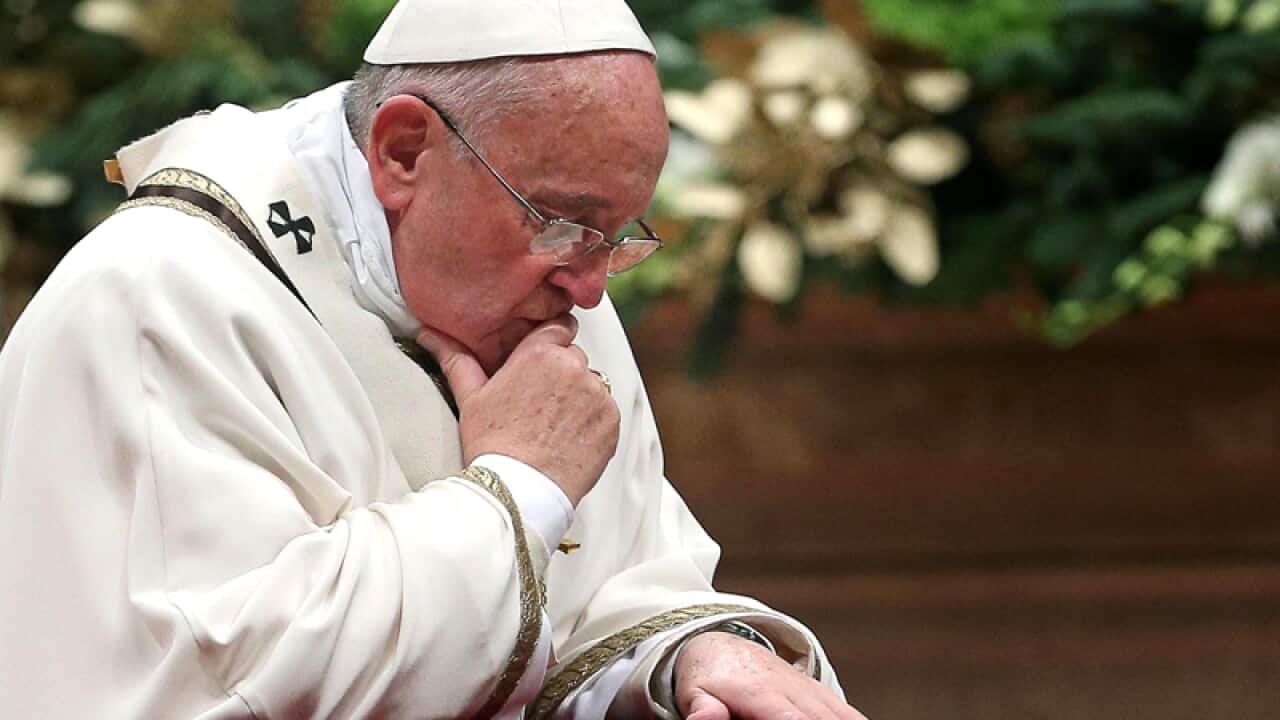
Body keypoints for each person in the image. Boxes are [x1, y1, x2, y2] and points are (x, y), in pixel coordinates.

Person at [0, 1, 867, 718]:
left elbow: (621, 586)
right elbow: (227, 683)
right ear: (404, 150)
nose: (594, 288)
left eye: (620, 234)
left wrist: (688, 657)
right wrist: (518, 489)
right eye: (563, 221)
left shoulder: (547, 285)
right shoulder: (157, 298)